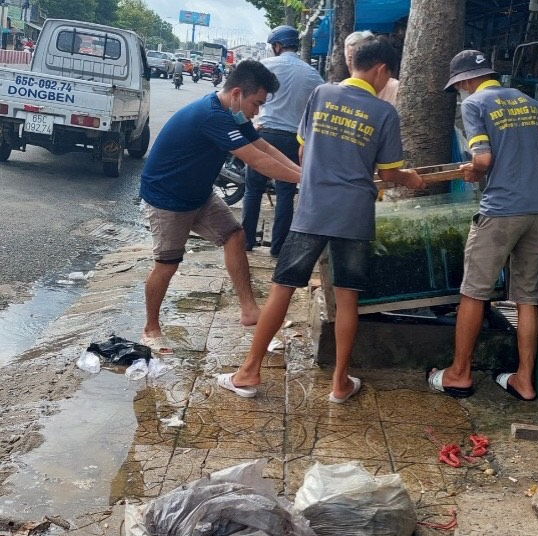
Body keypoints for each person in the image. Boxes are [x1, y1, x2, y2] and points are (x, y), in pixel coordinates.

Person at [219, 36, 425, 400]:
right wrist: (411, 177)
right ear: (381, 70)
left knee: (283, 287)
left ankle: (249, 372)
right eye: (388, 74)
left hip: (312, 208)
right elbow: (390, 172)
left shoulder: (322, 95)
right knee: (347, 299)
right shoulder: (383, 112)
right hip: (354, 215)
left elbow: (302, 148)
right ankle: (340, 383)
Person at [140, 60, 302, 353]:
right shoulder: (212, 116)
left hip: (199, 194)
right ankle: (151, 328)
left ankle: (249, 311)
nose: (258, 112)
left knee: (235, 235)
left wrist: (304, 173)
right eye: (257, 103)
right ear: (238, 94)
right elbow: (257, 161)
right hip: (168, 197)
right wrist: (306, 179)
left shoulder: (233, 114)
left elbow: (264, 147)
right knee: (167, 265)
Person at [426, 50, 538, 401]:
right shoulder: (529, 103)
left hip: (500, 211)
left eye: (458, 87)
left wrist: (475, 170)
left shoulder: (475, 105)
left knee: (474, 291)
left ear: (464, 81)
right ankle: (525, 380)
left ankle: (458, 374)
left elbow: (482, 158)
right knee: (526, 298)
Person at [243, 25, 323, 257]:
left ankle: (247, 241)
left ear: (277, 46)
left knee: (253, 189)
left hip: (263, 134)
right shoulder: (313, 75)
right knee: (286, 193)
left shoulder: (265, 66)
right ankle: (278, 247)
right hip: (292, 139)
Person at [344, 31, 399, 106]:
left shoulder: (394, 89)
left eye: (360, 59)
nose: (354, 64)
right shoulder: (340, 88)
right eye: (350, 59)